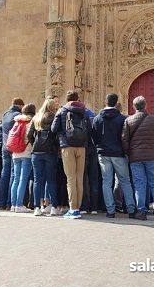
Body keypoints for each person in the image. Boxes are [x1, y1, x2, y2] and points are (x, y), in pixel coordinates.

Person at [122, 96, 154, 222]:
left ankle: (142, 212)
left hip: (136, 158)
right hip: (152, 157)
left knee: (139, 185)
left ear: (134, 106)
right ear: (146, 105)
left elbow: (124, 140)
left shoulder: (129, 120)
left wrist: (131, 153)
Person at [92, 93, 136, 219]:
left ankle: (110, 211)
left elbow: (94, 137)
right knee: (125, 181)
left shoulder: (97, 118)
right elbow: (126, 137)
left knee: (106, 182)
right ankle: (131, 210)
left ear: (105, 101)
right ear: (117, 103)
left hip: (103, 153)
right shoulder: (122, 119)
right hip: (119, 154)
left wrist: (99, 147)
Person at [51, 90, 91, 219]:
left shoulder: (62, 111)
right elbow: (89, 129)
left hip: (67, 146)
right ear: (78, 99)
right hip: (82, 147)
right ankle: (78, 207)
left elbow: (53, 129)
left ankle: (73, 209)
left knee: (70, 178)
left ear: (66, 99)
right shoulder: (84, 111)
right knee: (79, 178)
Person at [27, 99, 59, 216]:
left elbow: (29, 135)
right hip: (51, 152)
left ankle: (37, 207)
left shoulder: (36, 118)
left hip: (37, 152)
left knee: (37, 180)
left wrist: (35, 143)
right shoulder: (55, 117)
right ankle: (54, 207)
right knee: (51, 180)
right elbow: (57, 134)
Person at [0, 98, 24, 210]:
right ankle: (10, 202)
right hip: (14, 148)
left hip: (5, 147)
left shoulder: (5, 114)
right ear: (20, 105)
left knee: (4, 175)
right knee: (13, 176)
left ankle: (1, 202)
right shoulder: (18, 115)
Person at [10, 104, 36, 213]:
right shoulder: (30, 122)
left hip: (15, 153)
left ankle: (13, 204)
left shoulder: (17, 121)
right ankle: (19, 204)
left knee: (16, 179)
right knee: (23, 179)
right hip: (26, 153)